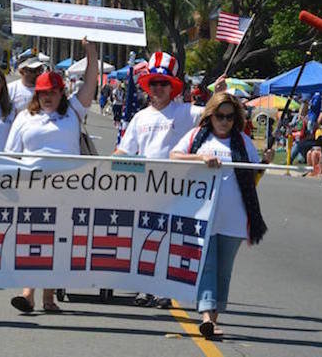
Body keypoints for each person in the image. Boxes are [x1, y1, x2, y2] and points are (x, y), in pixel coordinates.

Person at [114, 52, 226, 308]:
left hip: (179, 188)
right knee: (144, 238)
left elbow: (217, 114)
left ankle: (164, 289)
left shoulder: (186, 111)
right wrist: (102, 166)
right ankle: (144, 288)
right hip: (145, 187)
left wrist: (219, 93)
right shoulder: (140, 117)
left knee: (169, 239)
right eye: (154, 83)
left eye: (163, 83)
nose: (158, 88)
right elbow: (124, 151)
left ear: (173, 86)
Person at [170, 92, 273, 339]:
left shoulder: (244, 142)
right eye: (219, 116)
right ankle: (206, 315)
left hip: (234, 217)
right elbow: (174, 156)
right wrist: (201, 157)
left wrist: (265, 163)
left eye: (229, 117)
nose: (224, 121)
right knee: (206, 266)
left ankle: (213, 319)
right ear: (210, 116)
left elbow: (254, 175)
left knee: (223, 271)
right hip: (202, 215)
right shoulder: (196, 137)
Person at [5, 38, 98, 313]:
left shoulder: (73, 112)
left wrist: (91, 53)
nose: (47, 97)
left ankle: (47, 297)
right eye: (42, 92)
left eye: (52, 92)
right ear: (36, 94)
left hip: (67, 189)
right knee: (33, 239)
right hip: (32, 188)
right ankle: (28, 293)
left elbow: (90, 84)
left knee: (57, 241)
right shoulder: (24, 117)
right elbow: (11, 153)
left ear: (61, 93)